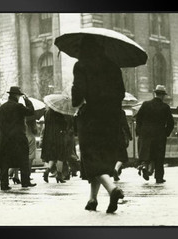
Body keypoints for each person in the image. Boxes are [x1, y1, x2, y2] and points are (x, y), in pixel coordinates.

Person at [71, 35, 125, 213]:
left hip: (92, 117)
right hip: (112, 118)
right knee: (102, 157)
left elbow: (77, 95)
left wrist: (75, 92)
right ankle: (92, 199)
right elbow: (122, 93)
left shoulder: (81, 65)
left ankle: (112, 189)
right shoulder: (113, 66)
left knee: (91, 157)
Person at [0, 86, 36, 190]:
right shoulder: (18, 106)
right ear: (16, 95)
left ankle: (4, 184)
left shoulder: (2, 108)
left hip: (5, 138)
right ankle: (25, 182)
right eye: (19, 95)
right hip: (18, 138)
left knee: (5, 161)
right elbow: (31, 112)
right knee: (23, 159)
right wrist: (27, 101)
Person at [136, 85, 174, 183]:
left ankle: (144, 166)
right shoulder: (165, 107)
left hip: (145, 134)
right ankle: (159, 177)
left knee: (146, 153)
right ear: (163, 96)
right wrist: (166, 133)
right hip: (159, 135)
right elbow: (171, 123)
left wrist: (139, 131)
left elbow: (138, 118)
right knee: (159, 156)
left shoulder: (145, 104)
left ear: (155, 93)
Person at [41, 108, 69, 183]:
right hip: (58, 137)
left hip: (49, 137)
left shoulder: (46, 112)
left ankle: (47, 170)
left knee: (52, 156)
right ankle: (59, 176)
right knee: (61, 156)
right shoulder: (59, 112)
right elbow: (64, 125)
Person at [112, 109, 133, 181]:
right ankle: (116, 169)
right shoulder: (120, 111)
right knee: (122, 156)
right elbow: (125, 124)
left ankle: (115, 171)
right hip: (119, 136)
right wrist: (129, 136)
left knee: (113, 155)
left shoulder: (106, 110)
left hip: (109, 137)